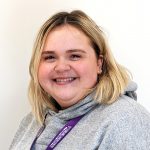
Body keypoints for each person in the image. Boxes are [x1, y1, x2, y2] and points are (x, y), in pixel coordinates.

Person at [9, 10, 150, 150]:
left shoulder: (124, 120)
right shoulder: (33, 121)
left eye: (75, 56)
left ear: (99, 63)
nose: (61, 67)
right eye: (50, 57)